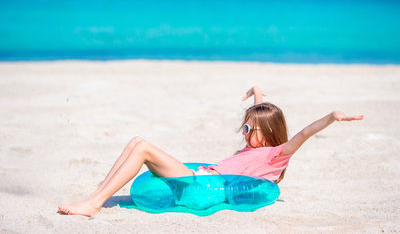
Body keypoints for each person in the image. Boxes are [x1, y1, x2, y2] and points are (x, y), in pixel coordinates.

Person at [58, 86, 363, 217]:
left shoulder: (276, 154)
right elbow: (259, 115)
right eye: (244, 128)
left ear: (268, 133)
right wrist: (257, 90)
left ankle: (94, 203)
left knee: (143, 147)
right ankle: (97, 196)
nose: (244, 134)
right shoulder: (253, 145)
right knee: (136, 142)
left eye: (249, 130)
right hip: (197, 178)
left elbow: (303, 134)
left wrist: (331, 117)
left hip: (197, 186)